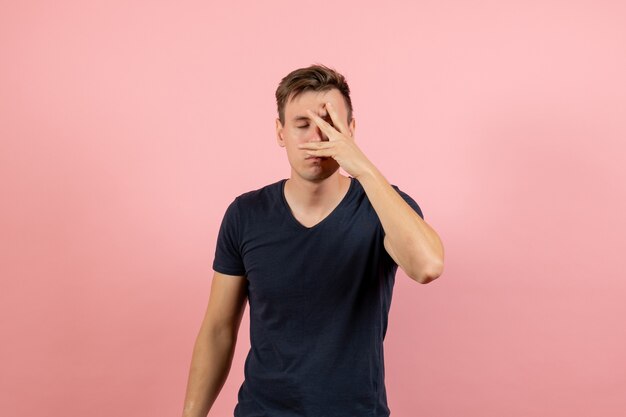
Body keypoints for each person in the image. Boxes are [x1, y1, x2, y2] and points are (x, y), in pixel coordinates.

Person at [181, 64, 444, 417]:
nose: (315, 139)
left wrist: (362, 167)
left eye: (329, 126)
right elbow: (217, 330)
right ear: (280, 132)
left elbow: (427, 266)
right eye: (302, 125)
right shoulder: (246, 214)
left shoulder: (384, 208)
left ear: (351, 130)